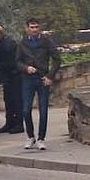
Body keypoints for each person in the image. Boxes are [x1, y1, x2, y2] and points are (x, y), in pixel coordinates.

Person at [17, 18, 62, 150]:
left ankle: (41, 138)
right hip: (28, 78)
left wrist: (50, 76)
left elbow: (57, 59)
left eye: (36, 27)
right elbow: (17, 61)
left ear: (40, 28)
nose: (34, 30)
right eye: (32, 27)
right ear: (27, 29)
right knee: (26, 110)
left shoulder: (46, 41)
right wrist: (26, 68)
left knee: (43, 110)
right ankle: (30, 136)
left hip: (42, 78)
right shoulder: (23, 43)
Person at [0, 25, 24, 134]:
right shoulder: (3, 42)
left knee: (16, 101)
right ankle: (9, 123)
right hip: (8, 75)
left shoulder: (8, 43)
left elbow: (10, 58)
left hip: (14, 75)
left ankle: (18, 124)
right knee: (8, 100)